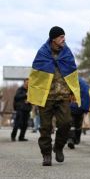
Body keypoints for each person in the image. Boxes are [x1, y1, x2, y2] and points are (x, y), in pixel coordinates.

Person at [28, 26, 82, 166]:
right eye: (61, 37)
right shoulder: (42, 53)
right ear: (53, 39)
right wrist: (34, 95)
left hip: (63, 96)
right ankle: (46, 154)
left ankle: (58, 147)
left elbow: (72, 73)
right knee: (45, 128)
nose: (64, 39)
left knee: (65, 123)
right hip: (46, 97)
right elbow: (35, 75)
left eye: (64, 36)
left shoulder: (67, 53)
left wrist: (73, 92)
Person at [67, 77, 90, 149]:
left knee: (72, 123)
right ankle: (74, 139)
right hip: (79, 107)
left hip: (72, 106)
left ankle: (72, 139)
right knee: (76, 124)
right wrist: (86, 109)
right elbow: (87, 96)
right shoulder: (83, 83)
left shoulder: (68, 80)